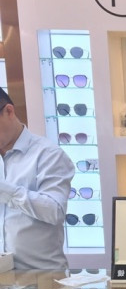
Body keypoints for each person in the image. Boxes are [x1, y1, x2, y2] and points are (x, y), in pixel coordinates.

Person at [0, 88, 74, 270]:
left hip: (42, 278)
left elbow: (54, 211)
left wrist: (5, 191)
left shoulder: (48, 154)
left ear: (9, 111)